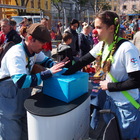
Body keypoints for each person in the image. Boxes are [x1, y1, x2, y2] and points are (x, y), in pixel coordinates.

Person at [63, 10, 140, 140]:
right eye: (94, 27)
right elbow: (83, 61)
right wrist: (62, 73)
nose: (94, 31)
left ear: (111, 28)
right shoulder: (102, 45)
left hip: (127, 105)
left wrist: (110, 86)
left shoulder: (127, 49)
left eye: (98, 27)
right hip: (110, 101)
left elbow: (137, 81)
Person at [0, 23, 69, 140]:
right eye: (42, 43)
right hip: (9, 97)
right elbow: (21, 82)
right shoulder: (16, 53)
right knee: (11, 134)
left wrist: (58, 65)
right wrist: (48, 73)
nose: (45, 46)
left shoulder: (33, 50)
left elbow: (46, 60)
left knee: (25, 133)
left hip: (22, 96)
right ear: (31, 39)